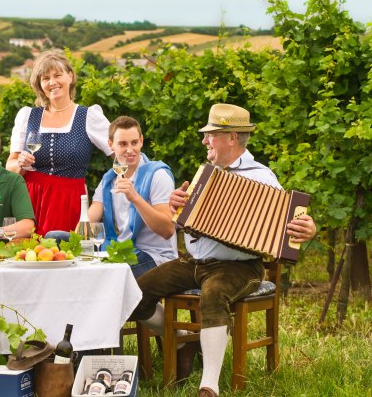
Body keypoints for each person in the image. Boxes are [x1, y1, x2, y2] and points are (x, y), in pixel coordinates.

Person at [130, 104, 317, 397]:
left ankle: (209, 385)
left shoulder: (262, 177)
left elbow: (291, 220)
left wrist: (309, 228)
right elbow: (183, 223)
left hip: (240, 268)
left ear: (231, 137)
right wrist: (177, 207)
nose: (205, 141)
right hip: (193, 262)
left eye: (211, 135)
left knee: (213, 295)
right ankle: (183, 339)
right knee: (133, 293)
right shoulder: (206, 175)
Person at [6, 50, 113, 236]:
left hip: (69, 201)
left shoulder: (88, 116)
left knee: (64, 256)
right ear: (40, 84)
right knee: (27, 258)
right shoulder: (27, 116)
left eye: (57, 75)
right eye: (45, 78)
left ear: (70, 76)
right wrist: (20, 164)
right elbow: (10, 166)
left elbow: (119, 153)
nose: (52, 82)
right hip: (30, 201)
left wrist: (110, 191)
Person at [87, 116, 177, 278]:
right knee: (58, 239)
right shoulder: (109, 179)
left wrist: (135, 197)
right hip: (121, 250)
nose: (130, 150)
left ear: (141, 141)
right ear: (110, 145)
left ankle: (147, 304)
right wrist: (73, 239)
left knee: (113, 271)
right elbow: (91, 217)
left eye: (134, 143)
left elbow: (167, 230)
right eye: (122, 144)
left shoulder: (158, 175)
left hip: (155, 256)